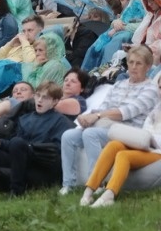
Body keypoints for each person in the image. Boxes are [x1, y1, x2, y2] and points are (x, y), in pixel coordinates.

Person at [60, 45, 161, 193]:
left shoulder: (150, 89)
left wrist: (97, 116)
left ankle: (96, 183)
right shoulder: (119, 84)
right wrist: (87, 117)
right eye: (131, 62)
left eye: (138, 63)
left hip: (127, 131)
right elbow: (104, 106)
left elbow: (126, 112)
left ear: (148, 66)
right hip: (106, 125)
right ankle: (68, 183)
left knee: (91, 134)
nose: (133, 67)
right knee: (68, 135)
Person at [0, 81, 75, 198]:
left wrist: (29, 148)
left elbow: (56, 151)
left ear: (55, 101)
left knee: (17, 143)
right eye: (38, 96)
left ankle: (16, 191)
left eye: (45, 97)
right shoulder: (25, 118)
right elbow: (14, 144)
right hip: (18, 159)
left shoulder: (61, 122)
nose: (40, 100)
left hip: (40, 165)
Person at [79, 97, 161, 206]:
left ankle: (109, 195)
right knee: (113, 145)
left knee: (123, 155)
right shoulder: (156, 108)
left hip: (157, 152)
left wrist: (151, 140)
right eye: (159, 88)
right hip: (146, 146)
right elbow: (145, 130)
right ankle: (89, 191)